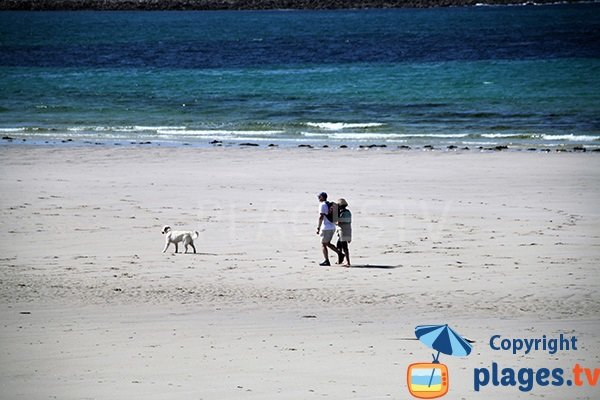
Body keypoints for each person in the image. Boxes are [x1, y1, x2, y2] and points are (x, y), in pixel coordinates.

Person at [316, 192, 342, 266]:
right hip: (332, 227)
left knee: (323, 244)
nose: (318, 198)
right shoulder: (331, 205)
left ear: (323, 197)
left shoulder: (322, 205)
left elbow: (321, 217)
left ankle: (327, 260)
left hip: (326, 227)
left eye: (319, 197)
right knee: (327, 243)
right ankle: (340, 254)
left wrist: (318, 227)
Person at [335, 198, 352, 267]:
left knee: (344, 246)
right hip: (347, 229)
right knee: (339, 245)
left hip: (343, 230)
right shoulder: (348, 212)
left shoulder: (342, 212)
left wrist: (334, 221)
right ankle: (340, 260)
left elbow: (339, 222)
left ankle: (348, 261)